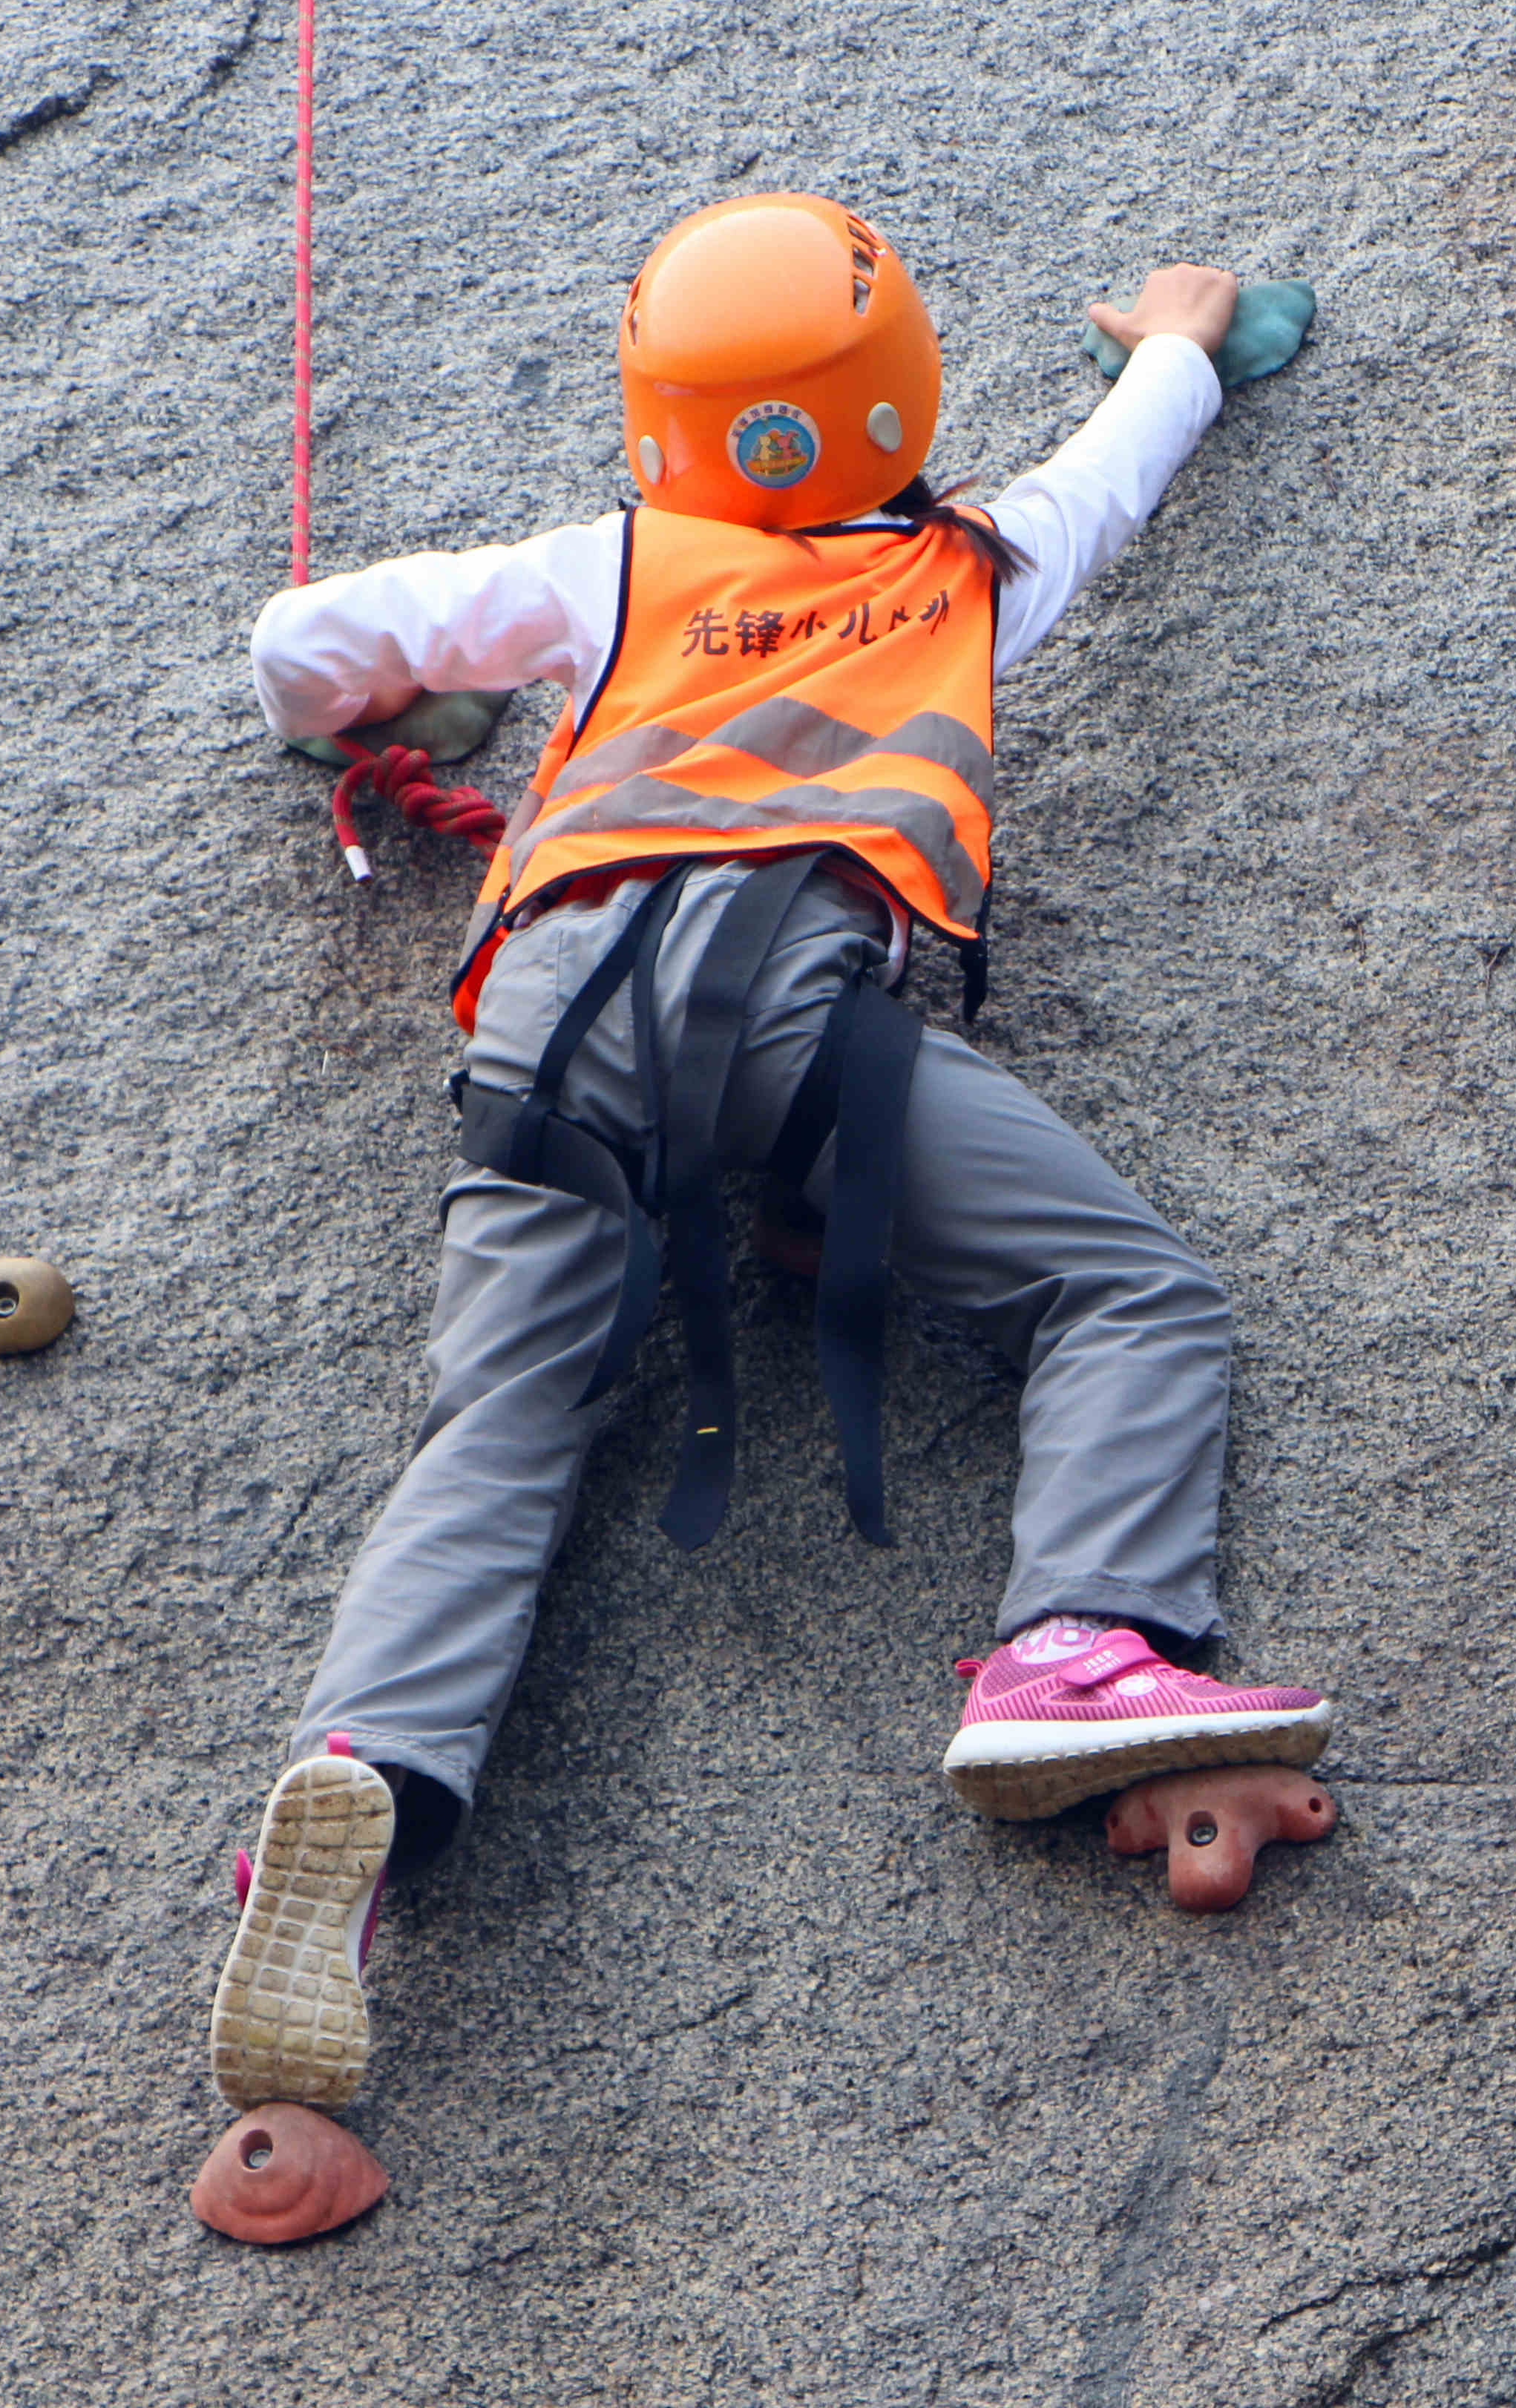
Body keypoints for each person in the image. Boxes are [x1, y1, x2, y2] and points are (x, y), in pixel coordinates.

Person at [206, 196, 1333, 2116]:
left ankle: (364, 1782)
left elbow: (302, 641)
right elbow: (1124, 461)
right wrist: (1178, 331)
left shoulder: (615, 563)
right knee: (1127, 1289)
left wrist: (362, 719)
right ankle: (1082, 1646)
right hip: (804, 1023)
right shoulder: (976, 557)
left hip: (544, 1035)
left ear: (659, 416)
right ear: (900, 398)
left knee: (503, 1419)